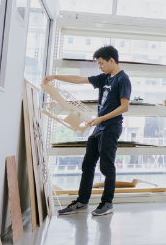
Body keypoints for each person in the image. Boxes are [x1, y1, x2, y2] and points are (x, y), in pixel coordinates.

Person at [45, 45, 131, 217]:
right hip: (99, 127)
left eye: (101, 63)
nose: (100, 67)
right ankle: (82, 202)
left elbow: (124, 107)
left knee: (107, 167)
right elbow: (79, 79)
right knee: (87, 165)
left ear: (111, 60)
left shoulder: (123, 79)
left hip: (111, 127)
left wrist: (102, 118)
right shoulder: (105, 78)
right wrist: (55, 76)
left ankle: (107, 203)